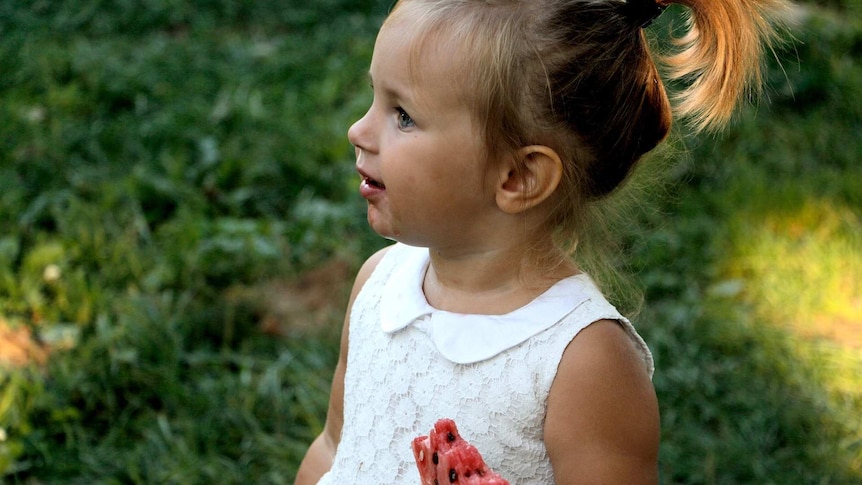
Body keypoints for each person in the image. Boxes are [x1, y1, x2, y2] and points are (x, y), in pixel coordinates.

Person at [295, 0, 789, 483]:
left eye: (402, 115)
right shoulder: (378, 285)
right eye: (375, 99)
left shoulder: (582, 362)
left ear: (518, 177)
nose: (358, 130)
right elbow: (335, 448)